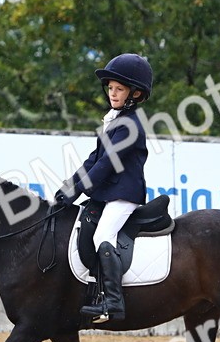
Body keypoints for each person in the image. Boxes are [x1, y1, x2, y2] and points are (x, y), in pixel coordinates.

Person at [53, 53, 153, 323]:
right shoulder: (114, 120)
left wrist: (78, 191)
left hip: (124, 194)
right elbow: (93, 161)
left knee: (102, 235)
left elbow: (106, 165)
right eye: (110, 88)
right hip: (109, 193)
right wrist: (69, 186)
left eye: (119, 89)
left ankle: (112, 302)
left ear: (136, 94)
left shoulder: (130, 125)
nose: (113, 93)